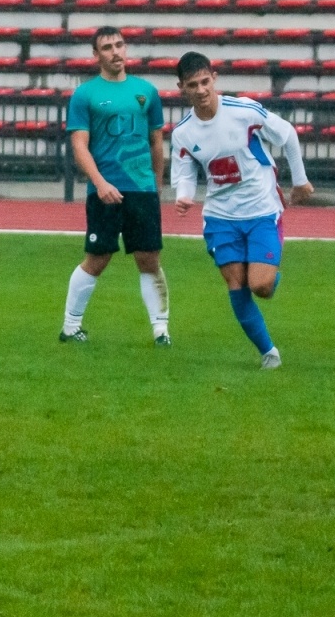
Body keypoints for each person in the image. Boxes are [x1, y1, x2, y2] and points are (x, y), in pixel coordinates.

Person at [171, 52, 313, 368]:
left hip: (262, 208)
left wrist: (300, 181)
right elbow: (183, 170)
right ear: (182, 87)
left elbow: (287, 133)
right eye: (193, 84)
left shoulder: (243, 111)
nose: (201, 89)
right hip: (220, 216)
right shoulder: (183, 132)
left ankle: (268, 273)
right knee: (236, 284)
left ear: (214, 79)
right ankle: (269, 353)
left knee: (260, 286)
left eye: (205, 81)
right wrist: (184, 195)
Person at [60, 26, 171, 346]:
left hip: (142, 189)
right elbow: (80, 145)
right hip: (104, 189)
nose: (115, 52)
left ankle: (161, 330)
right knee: (98, 258)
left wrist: (157, 184)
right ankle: (70, 326)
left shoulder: (147, 91)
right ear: (96, 55)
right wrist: (99, 182)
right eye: (107, 47)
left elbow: (156, 141)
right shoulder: (85, 94)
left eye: (119, 45)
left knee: (149, 258)